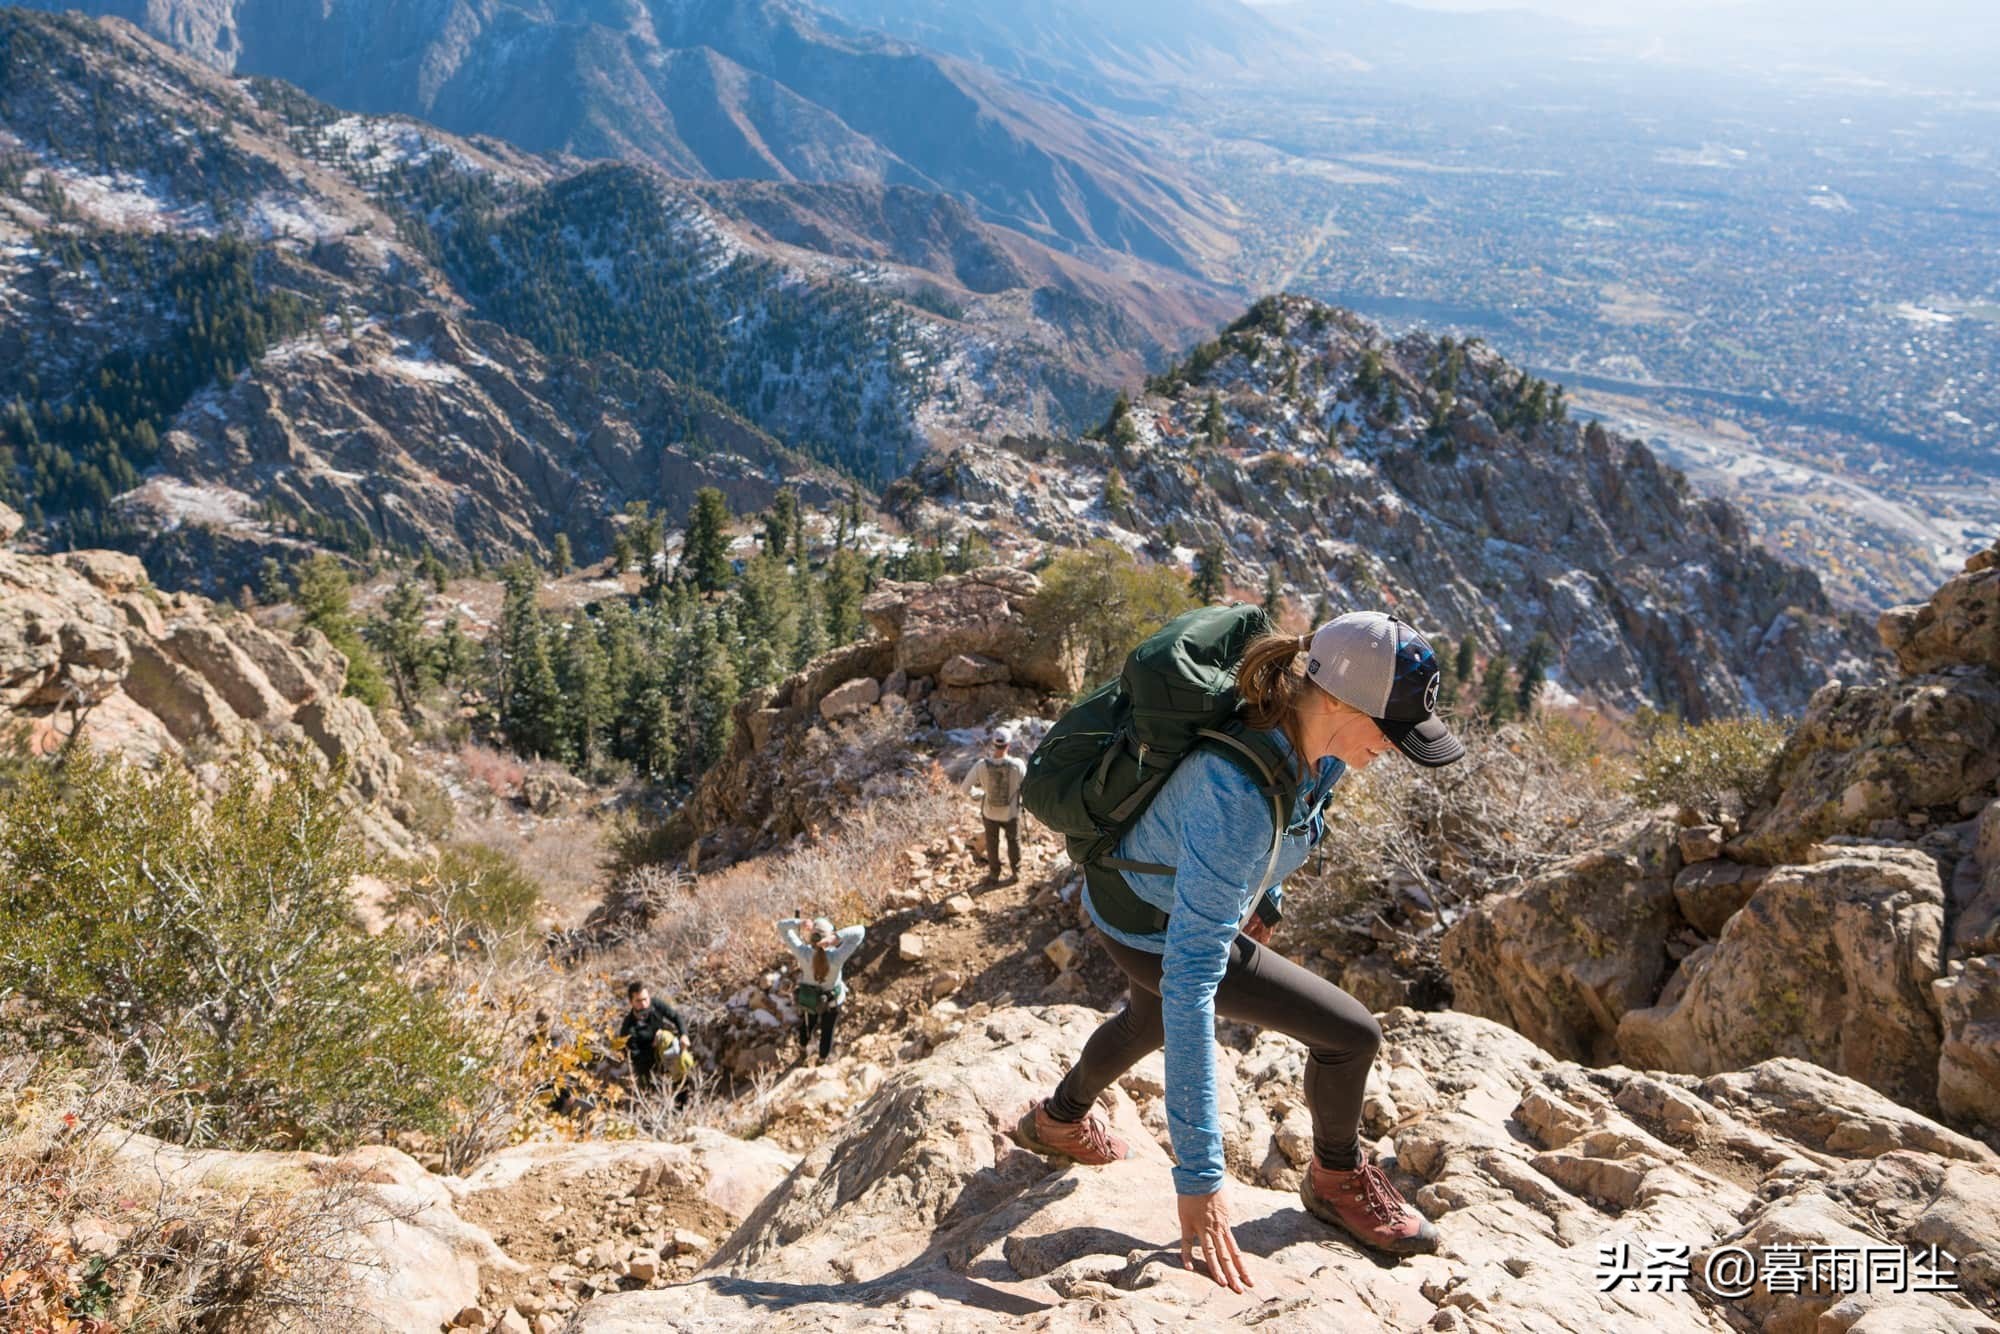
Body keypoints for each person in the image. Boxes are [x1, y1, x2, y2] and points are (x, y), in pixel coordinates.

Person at [1014, 611, 1465, 1290]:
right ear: (1339, 700)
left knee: (1148, 1018)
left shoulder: (1316, 736)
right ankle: (1335, 1181)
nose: (1396, 750)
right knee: (1350, 1036)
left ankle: (1057, 1120)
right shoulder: (1235, 796)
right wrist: (1199, 1179)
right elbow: (1193, 986)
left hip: (1131, 893)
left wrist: (1266, 899)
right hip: (1153, 926)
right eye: (1391, 731)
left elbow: (1296, 820)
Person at [777, 912, 866, 1063]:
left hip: (810, 1000)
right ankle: (822, 1059)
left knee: (807, 1024)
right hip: (832, 1001)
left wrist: (799, 923)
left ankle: (804, 1050)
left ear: (811, 937)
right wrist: (837, 937)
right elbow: (860, 931)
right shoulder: (837, 957)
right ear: (828, 937)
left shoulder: (802, 953)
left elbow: (781, 926)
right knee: (827, 1030)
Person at [962, 731, 1027, 883]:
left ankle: (994, 874)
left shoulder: (981, 765)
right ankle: (1016, 872)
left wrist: (980, 795)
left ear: (993, 744)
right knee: (1014, 841)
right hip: (1010, 812)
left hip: (990, 813)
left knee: (992, 843)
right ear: (1008, 745)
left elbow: (965, 788)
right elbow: (1027, 787)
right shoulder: (1018, 765)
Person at [619, 981, 689, 1097]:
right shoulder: (628, 1028)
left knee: (667, 1039)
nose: (644, 1004)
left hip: (665, 1052)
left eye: (645, 999)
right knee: (654, 1094)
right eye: (638, 1001)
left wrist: (684, 1035)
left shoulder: (655, 1004)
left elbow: (676, 1017)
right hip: (646, 1065)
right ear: (631, 1002)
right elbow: (634, 1057)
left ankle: (684, 1097)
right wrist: (654, 1046)